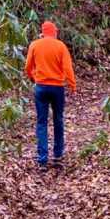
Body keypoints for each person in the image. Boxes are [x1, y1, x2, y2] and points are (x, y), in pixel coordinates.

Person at [25, 21, 76, 169]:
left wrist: (35, 78)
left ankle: (42, 160)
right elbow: (67, 67)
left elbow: (28, 67)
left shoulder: (34, 45)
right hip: (57, 88)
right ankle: (58, 156)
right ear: (53, 32)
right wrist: (72, 84)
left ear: (42, 32)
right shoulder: (60, 46)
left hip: (41, 87)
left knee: (42, 122)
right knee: (58, 120)